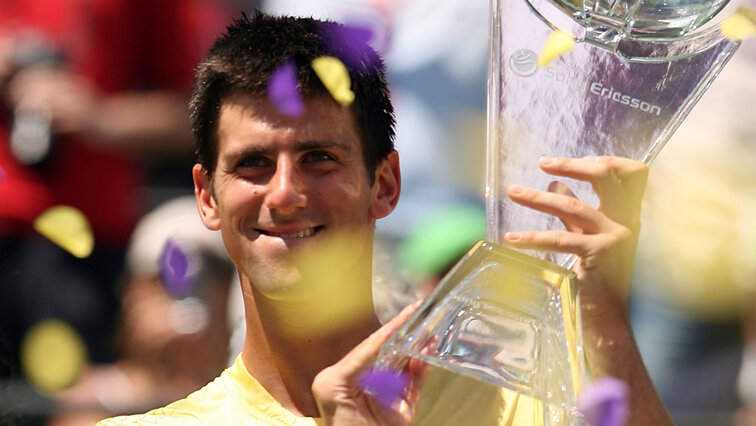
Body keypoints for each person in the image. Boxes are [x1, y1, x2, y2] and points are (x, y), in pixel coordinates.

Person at [99, 11, 673, 425]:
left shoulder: (513, 408)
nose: (285, 193)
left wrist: (607, 322)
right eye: (252, 164)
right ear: (206, 196)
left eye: (318, 158)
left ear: (385, 183)